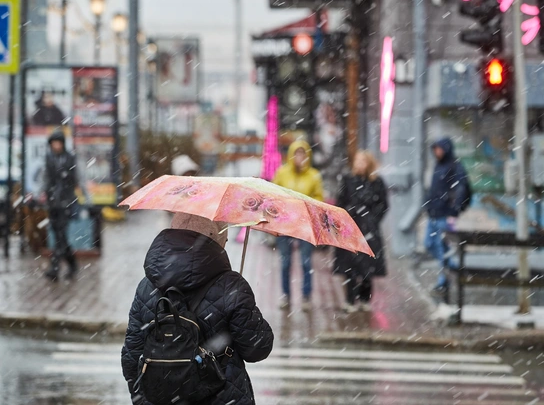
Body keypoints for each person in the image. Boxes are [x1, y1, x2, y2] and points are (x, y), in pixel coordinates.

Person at [121, 213, 274, 405]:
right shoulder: (232, 286)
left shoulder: (146, 286)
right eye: (224, 235)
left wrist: (142, 399)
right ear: (215, 238)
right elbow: (257, 349)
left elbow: (132, 354)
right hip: (223, 397)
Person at [272, 140, 324, 310]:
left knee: (306, 262)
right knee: (286, 262)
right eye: (297, 153)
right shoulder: (282, 173)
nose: (299, 157)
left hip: (306, 225)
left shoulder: (314, 175)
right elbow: (273, 195)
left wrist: (305, 205)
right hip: (285, 224)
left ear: (307, 156)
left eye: (303, 154)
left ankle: (306, 296)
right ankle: (286, 296)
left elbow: (319, 198)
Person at [334, 150, 388, 313]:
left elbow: (383, 204)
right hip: (350, 229)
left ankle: (365, 298)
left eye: (362, 161)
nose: (358, 164)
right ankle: (350, 299)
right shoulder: (348, 180)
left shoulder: (377, 182)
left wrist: (372, 220)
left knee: (367, 266)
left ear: (368, 164)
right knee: (349, 265)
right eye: (357, 160)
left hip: (369, 230)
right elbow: (340, 202)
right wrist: (346, 218)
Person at [423, 138, 468, 298]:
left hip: (445, 215)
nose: (437, 152)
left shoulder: (455, 167)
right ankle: (450, 267)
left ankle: (444, 280)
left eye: (439, 148)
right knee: (429, 244)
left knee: (443, 247)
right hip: (434, 214)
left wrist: (453, 211)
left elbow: (461, 190)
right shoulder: (438, 166)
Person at [43, 130, 79, 281]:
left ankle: (55, 268)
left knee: (60, 235)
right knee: (59, 236)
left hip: (66, 202)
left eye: (58, 143)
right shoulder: (49, 158)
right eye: (53, 143)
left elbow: (76, 178)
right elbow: (46, 179)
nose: (56, 146)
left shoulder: (69, 158)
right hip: (53, 203)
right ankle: (72, 264)